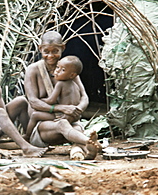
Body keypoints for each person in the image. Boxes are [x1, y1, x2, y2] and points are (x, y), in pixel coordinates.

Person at [24, 31, 101, 159]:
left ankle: (88, 150)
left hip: (70, 120)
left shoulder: (69, 68)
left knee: (75, 128)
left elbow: (84, 97)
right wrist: (61, 108)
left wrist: (76, 110)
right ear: (40, 49)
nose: (50, 55)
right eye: (46, 51)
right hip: (45, 126)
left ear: (63, 48)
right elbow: (33, 102)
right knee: (63, 124)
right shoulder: (33, 70)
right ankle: (88, 141)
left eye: (55, 51)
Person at [24, 55, 83, 140]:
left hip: (63, 115)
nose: (57, 71)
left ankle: (27, 136)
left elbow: (51, 100)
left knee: (35, 115)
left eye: (62, 70)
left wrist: (42, 100)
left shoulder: (60, 84)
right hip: (74, 116)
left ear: (72, 75)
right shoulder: (75, 85)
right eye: (57, 67)